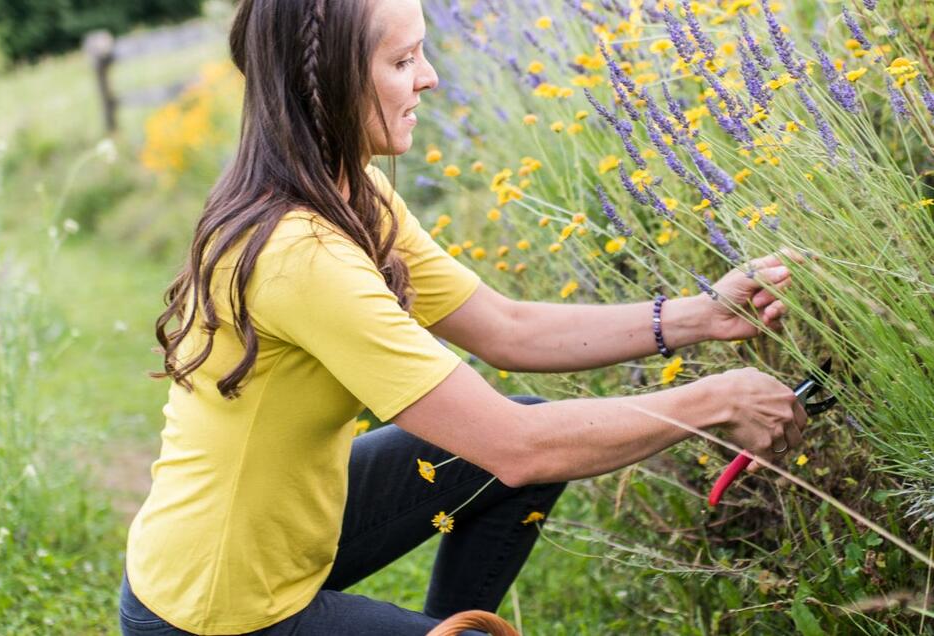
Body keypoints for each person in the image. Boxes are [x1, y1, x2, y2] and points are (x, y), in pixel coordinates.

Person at [118, 0, 807, 634]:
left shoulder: (345, 190)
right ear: (325, 84)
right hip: (217, 611)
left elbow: (507, 329)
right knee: (527, 446)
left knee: (524, 445)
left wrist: (703, 315)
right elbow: (519, 444)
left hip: (282, 533)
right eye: (401, 61)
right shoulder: (301, 255)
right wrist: (712, 400)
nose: (431, 79)